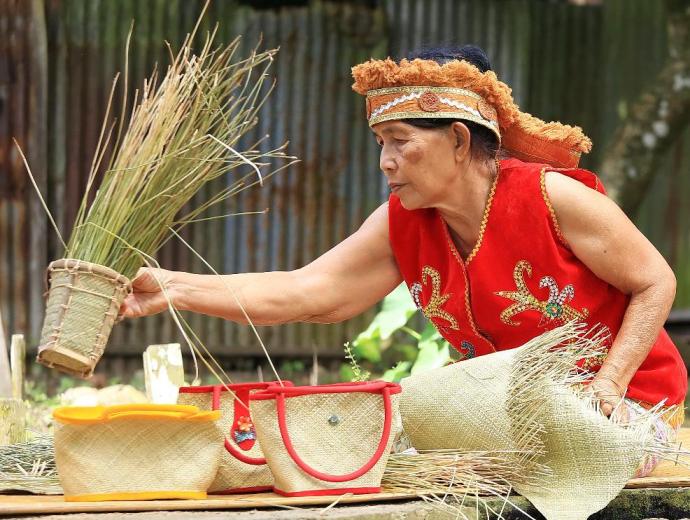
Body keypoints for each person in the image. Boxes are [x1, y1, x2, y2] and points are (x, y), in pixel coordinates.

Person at [120, 45, 686, 457]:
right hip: (514, 420)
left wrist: (609, 386)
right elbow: (310, 292)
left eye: (400, 142)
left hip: (629, 407)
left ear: (458, 140)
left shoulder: (551, 197)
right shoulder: (404, 221)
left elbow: (656, 281)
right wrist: (173, 288)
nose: (385, 162)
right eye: (380, 143)